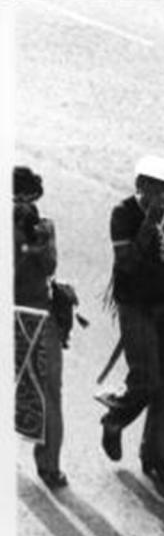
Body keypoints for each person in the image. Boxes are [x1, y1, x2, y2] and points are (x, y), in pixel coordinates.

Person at [100, 156, 164, 486]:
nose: (158, 194)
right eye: (150, 186)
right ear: (139, 185)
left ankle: (156, 456)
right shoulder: (123, 214)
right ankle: (115, 419)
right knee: (145, 376)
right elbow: (126, 264)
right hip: (136, 305)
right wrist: (148, 225)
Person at [13, 166, 66, 490]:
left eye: (27, 202)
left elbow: (48, 266)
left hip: (35, 314)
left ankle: (49, 464)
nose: (23, 209)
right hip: (26, 315)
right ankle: (47, 465)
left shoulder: (41, 230)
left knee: (48, 392)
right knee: (43, 392)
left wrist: (40, 242)